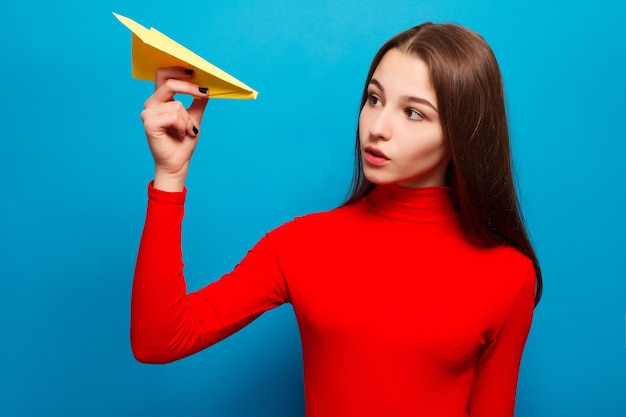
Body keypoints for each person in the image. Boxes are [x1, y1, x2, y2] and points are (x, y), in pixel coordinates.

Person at [131, 22, 543, 416]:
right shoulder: (301, 245)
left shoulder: (509, 274)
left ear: (461, 135)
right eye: (374, 99)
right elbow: (160, 340)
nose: (377, 127)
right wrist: (170, 177)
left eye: (413, 113)